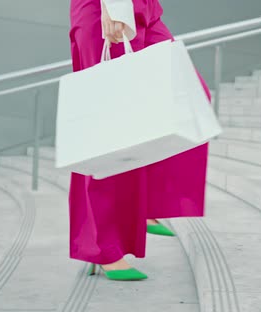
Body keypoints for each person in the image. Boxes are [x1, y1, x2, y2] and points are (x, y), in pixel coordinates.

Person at [68, 0, 212, 281]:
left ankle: (142, 206)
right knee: (110, 134)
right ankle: (103, 248)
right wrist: (113, 8)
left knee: (191, 95)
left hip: (143, 8)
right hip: (107, 10)